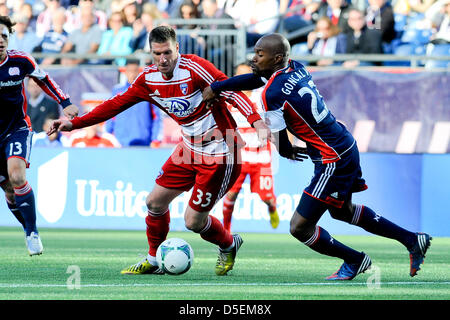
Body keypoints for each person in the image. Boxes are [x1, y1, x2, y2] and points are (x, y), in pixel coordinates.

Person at [202, 33, 432, 280]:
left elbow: (279, 139)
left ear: (277, 58)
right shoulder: (295, 67)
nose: (254, 57)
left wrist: (286, 150)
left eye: (260, 54)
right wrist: (217, 86)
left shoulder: (271, 94)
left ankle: (356, 260)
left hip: (332, 158)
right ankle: (411, 239)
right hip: (344, 144)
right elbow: (257, 79)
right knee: (343, 211)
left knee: (299, 227)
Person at [47, 25, 271, 276]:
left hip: (222, 150)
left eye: (167, 53)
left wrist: (256, 120)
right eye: (157, 54)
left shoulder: (195, 68)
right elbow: (114, 105)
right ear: (150, 53)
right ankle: (154, 259)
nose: (163, 59)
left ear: (177, 48)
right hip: (188, 148)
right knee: (154, 202)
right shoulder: (148, 79)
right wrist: (74, 124)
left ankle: (229, 244)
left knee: (193, 222)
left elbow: (230, 90)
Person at [0, 16, 79, 256]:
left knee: (16, 174)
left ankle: (32, 233)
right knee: (9, 191)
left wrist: (64, 102)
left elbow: (43, 78)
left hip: (17, 129)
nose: (0, 41)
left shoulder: (20, 60)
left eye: (4, 36)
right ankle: (27, 227)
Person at [222, 62, 279, 232]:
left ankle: (272, 208)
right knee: (231, 193)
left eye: (246, 75)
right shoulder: (228, 99)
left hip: (261, 155)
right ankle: (226, 229)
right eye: (239, 75)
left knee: (266, 197)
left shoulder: (261, 97)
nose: (242, 79)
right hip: (239, 155)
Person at [105, 59, 162, 147]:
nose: (133, 74)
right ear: (125, 72)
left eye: (135, 71)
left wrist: (155, 139)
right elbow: (110, 114)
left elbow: (156, 117)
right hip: (120, 143)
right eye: (130, 71)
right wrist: (107, 134)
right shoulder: (117, 91)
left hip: (143, 143)